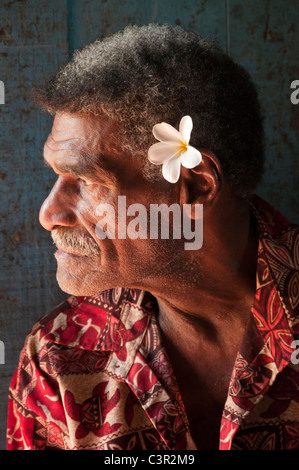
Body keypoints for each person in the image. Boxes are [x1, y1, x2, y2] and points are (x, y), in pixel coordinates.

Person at [6, 24, 299, 451]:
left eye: (88, 181)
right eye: (57, 176)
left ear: (194, 187)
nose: (48, 214)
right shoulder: (58, 357)